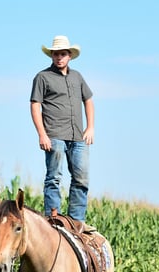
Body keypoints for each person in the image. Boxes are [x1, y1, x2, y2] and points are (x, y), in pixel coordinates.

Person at [30, 35, 95, 229]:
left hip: (78, 137)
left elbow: (88, 100)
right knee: (54, 178)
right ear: (52, 55)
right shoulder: (42, 77)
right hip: (54, 135)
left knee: (81, 179)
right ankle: (53, 218)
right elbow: (35, 105)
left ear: (69, 56)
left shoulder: (77, 77)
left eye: (63, 54)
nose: (59, 57)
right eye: (56, 54)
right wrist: (42, 134)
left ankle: (77, 221)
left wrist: (90, 127)